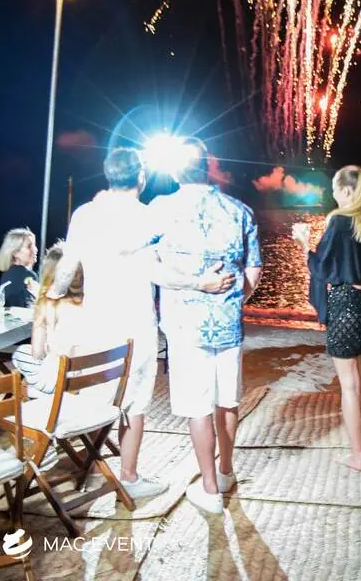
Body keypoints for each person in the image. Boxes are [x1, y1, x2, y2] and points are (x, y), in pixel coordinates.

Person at [48, 147, 235, 501]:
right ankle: (128, 476)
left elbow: (67, 265)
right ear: (141, 177)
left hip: (95, 324)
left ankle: (84, 462)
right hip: (136, 327)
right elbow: (159, 271)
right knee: (133, 405)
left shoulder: (85, 214)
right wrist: (200, 282)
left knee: (95, 395)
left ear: (108, 175)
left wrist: (55, 294)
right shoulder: (147, 217)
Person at [148, 138, 263, 514]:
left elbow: (149, 266)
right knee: (227, 400)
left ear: (174, 170)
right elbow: (254, 268)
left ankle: (210, 489)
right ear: (208, 166)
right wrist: (234, 299)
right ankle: (226, 472)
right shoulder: (240, 210)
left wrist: (195, 284)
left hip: (184, 325)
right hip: (227, 324)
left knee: (198, 406)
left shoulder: (161, 209)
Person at [293, 165, 361, 471]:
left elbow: (321, 268)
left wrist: (304, 245)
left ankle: (357, 456)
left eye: (334, 189)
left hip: (345, 304)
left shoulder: (338, 221)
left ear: (347, 191)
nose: (333, 194)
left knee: (349, 385)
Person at [11, 242, 84, 396]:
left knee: (20, 355)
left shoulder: (46, 304)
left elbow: (37, 353)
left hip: (58, 381)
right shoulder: (88, 302)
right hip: (86, 378)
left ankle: (47, 395)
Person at [0, 228, 39, 307]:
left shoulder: (6, 274)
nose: (35, 249)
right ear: (15, 252)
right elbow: (32, 308)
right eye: (29, 246)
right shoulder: (28, 275)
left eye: (34, 245)